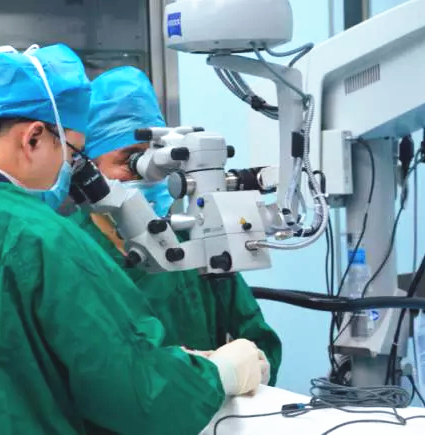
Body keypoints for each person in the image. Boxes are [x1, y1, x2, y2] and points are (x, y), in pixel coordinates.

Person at [0, 44, 268, 434]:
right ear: (33, 138)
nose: (72, 173)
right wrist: (219, 374)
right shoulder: (41, 238)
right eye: (74, 155)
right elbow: (141, 394)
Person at [70, 66, 283, 385]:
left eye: (159, 160)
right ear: (90, 169)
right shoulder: (70, 249)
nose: (151, 175)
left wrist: (251, 366)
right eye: (131, 161)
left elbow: (256, 337)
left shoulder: (195, 240)